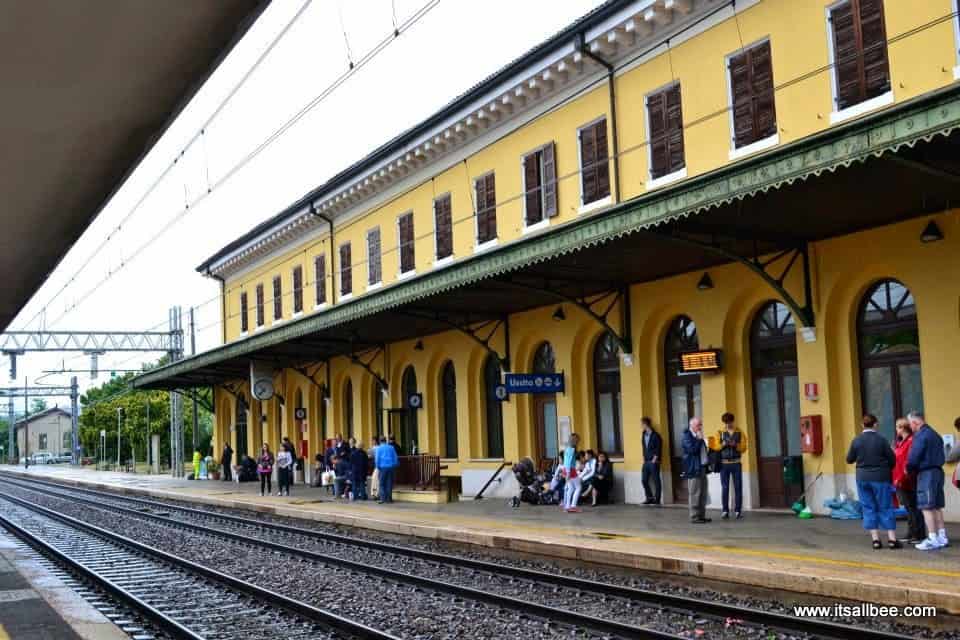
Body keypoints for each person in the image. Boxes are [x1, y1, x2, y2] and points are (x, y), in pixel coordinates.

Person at [846, 414, 900, 549]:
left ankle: (875, 540)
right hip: (881, 478)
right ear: (875, 424)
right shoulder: (881, 440)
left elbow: (849, 459)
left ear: (862, 425)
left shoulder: (856, 440)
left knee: (868, 507)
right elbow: (892, 460)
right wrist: (885, 469)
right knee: (885, 506)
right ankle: (892, 540)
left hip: (863, 478)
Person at [906, 410, 948, 550]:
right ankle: (942, 537)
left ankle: (932, 538)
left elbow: (913, 457)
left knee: (926, 506)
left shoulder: (921, 435)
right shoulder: (935, 434)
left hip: (926, 473)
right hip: (937, 472)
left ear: (915, 422)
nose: (910, 427)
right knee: (936, 506)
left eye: (910, 424)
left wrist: (909, 469)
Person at [893, 418, 926, 543]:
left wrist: (900, 478)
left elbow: (907, 462)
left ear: (903, 428)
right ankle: (911, 532)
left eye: (897, 426)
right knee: (908, 508)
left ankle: (918, 534)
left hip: (907, 479)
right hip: (899, 479)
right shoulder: (900, 442)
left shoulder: (910, 442)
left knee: (913, 508)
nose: (896, 429)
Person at [712, 412, 746, 520]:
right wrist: (724, 444)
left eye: (729, 422)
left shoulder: (739, 432)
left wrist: (736, 445)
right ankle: (725, 510)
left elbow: (744, 447)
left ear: (733, 421)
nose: (728, 425)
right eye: (726, 423)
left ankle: (737, 511)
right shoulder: (720, 432)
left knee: (738, 487)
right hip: (724, 464)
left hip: (736, 463)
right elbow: (715, 447)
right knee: (725, 488)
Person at [682, 417, 710, 524]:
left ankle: (701, 515)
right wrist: (699, 439)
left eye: (701, 425)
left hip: (702, 467)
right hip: (693, 468)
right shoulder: (687, 436)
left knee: (703, 493)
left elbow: (702, 450)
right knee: (694, 493)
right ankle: (694, 517)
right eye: (698, 425)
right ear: (692, 425)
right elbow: (692, 450)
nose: (700, 427)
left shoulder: (698, 436)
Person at [640, 417, 662, 505]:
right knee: (644, 480)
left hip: (653, 461)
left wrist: (654, 459)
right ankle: (649, 498)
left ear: (646, 424)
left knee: (656, 480)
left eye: (642, 424)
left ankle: (657, 499)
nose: (641, 426)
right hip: (646, 461)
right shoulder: (643, 434)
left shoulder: (656, 435)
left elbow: (658, 448)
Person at [375, 434, 399, 503]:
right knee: (389, 483)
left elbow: (377, 459)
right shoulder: (391, 447)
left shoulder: (378, 448)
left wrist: (377, 466)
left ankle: (383, 499)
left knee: (382, 484)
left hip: (383, 467)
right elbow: (395, 457)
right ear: (386, 440)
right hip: (391, 467)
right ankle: (389, 499)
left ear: (380, 441)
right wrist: (395, 465)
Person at [560, 433, 580, 512]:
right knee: (578, 487)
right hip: (570, 470)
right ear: (575, 440)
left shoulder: (567, 448)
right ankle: (573, 506)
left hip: (567, 469)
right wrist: (568, 473)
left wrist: (566, 472)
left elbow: (566, 461)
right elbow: (568, 461)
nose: (578, 442)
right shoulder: (572, 449)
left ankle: (567, 506)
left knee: (571, 488)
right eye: (577, 440)